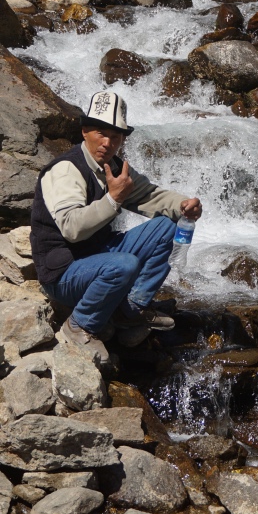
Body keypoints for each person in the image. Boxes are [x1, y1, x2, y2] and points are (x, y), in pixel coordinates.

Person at [30, 91, 202, 363]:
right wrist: (113, 199)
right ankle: (79, 325)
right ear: (85, 131)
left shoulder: (115, 167)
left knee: (170, 224)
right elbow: (72, 229)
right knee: (124, 265)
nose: (108, 143)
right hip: (62, 272)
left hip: (99, 254)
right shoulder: (65, 170)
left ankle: (129, 310)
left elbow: (151, 197)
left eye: (116, 136)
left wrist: (184, 205)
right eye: (101, 133)